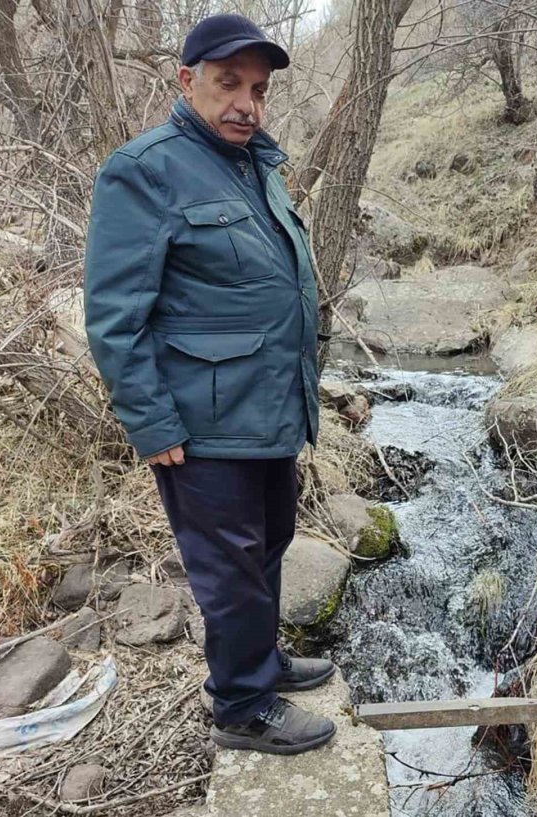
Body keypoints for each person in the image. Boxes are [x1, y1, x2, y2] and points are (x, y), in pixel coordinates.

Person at [84, 14, 337, 755]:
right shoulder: (146, 168)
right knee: (228, 566)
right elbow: (112, 312)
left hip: (268, 410)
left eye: (258, 90)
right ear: (187, 80)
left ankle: (260, 662)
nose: (246, 104)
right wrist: (151, 420)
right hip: (202, 422)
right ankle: (241, 707)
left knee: (270, 542)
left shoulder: (254, 165)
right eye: (229, 84)